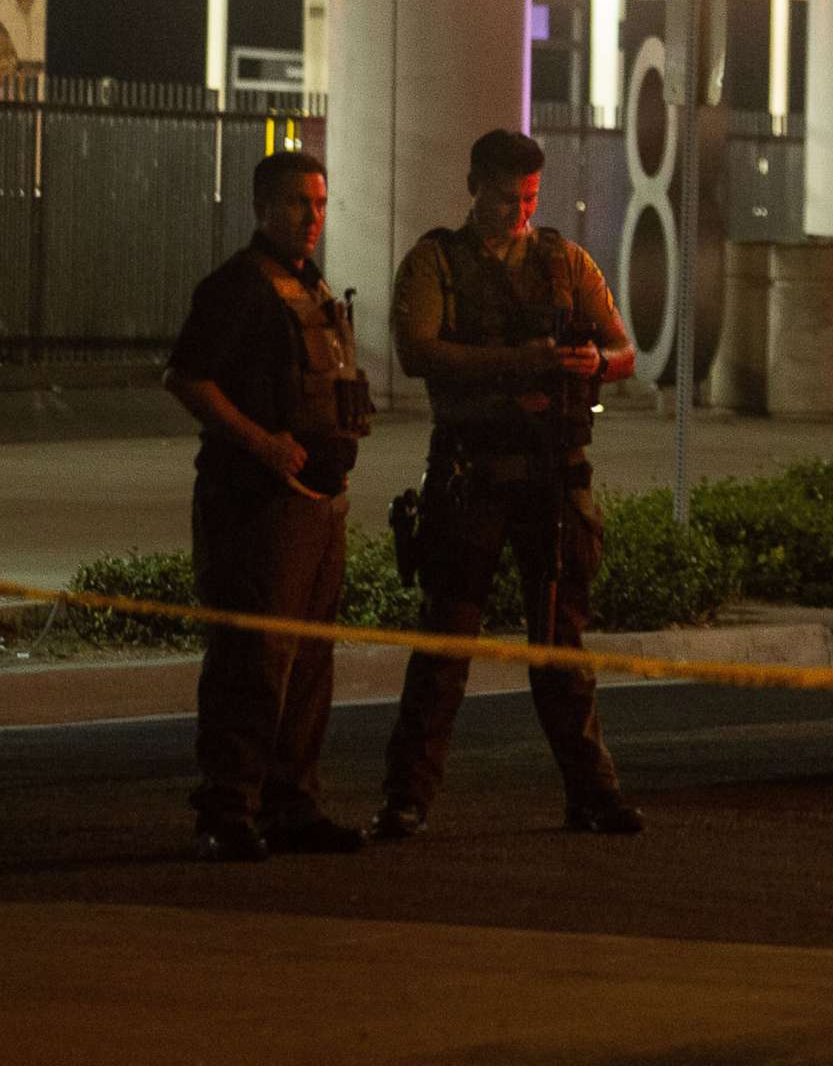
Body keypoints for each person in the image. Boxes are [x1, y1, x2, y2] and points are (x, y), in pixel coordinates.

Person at [372, 128, 643, 841]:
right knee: (445, 646)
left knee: (561, 648)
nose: (517, 213)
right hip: (473, 476)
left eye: (527, 198)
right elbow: (417, 350)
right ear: (473, 187)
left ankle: (594, 792)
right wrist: (514, 359)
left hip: (554, 479)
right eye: (503, 198)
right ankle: (406, 798)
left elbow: (625, 351)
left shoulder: (564, 261)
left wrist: (593, 361)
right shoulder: (438, 261)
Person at [164, 148, 373, 861]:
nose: (311, 217)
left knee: (309, 664)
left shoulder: (308, 286)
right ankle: (228, 809)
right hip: (258, 506)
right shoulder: (238, 288)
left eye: (319, 203)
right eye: (295, 204)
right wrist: (262, 444)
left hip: (319, 504)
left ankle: (292, 804)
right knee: (250, 661)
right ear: (261, 208)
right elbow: (187, 377)